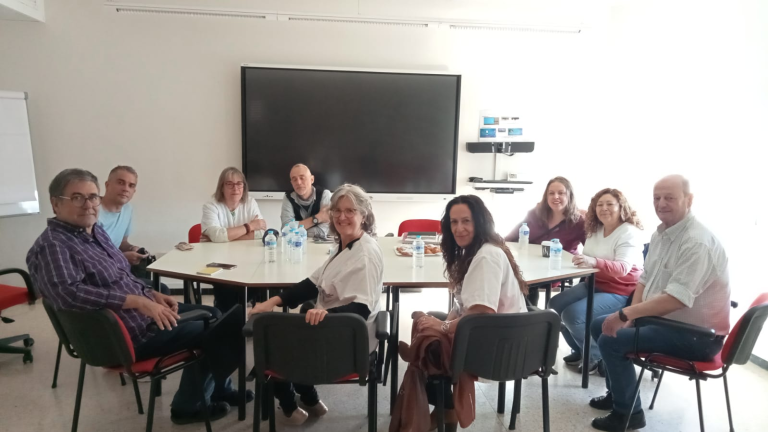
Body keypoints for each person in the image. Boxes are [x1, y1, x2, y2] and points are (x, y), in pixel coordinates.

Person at [26, 168, 252, 425]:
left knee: (216, 314)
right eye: (77, 198)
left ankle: (217, 389)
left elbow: (122, 276)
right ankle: (189, 407)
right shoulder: (54, 245)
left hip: (137, 318)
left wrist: (151, 293)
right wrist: (137, 301)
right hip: (125, 336)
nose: (88, 204)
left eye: (93, 197)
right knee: (220, 328)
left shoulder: (94, 232)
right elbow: (68, 294)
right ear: (56, 203)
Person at [588, 175, 730, 432]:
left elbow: (676, 299)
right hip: (665, 322)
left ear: (689, 200)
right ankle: (617, 394)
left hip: (697, 337)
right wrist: (630, 317)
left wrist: (625, 314)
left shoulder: (697, 242)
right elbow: (644, 280)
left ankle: (628, 414)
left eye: (670, 197)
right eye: (657, 198)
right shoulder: (661, 234)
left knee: (611, 340)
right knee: (600, 325)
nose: (661, 203)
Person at [249, 184, 383, 426]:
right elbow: (312, 283)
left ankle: (289, 406)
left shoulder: (364, 255)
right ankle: (310, 399)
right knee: (292, 319)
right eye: (337, 210)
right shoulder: (345, 244)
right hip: (337, 329)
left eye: (350, 210)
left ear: (364, 215)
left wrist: (325, 312)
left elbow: (361, 309)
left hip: (348, 338)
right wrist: (272, 302)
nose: (342, 216)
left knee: (270, 342)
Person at [415, 195, 528, 431]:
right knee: (428, 325)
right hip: (499, 336)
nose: (459, 228)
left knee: (431, 344)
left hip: (501, 349)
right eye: (454, 222)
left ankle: (445, 411)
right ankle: (443, 409)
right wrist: (445, 322)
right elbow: (465, 304)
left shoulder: (486, 256)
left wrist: (443, 328)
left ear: (480, 222)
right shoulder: (473, 252)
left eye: (466, 221)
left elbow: (481, 313)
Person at [548, 188, 644, 376]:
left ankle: (595, 356)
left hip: (620, 290)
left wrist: (593, 262)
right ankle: (580, 349)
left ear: (621, 207)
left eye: (610, 204)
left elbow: (622, 268)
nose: (604, 208)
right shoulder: (595, 229)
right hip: (593, 283)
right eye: (599, 205)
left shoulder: (628, 232)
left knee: (572, 316)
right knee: (554, 305)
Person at [505, 176, 586, 306]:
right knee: (514, 279)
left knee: (526, 284)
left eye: (561, 193)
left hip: (557, 268)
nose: (555, 197)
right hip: (530, 264)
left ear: (569, 196)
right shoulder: (535, 213)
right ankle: (525, 313)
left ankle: (530, 314)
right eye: (551, 193)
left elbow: (590, 248)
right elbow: (511, 237)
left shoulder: (578, 222)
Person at [201, 167, 267, 313]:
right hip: (220, 263)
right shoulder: (210, 206)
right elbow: (217, 235)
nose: (235, 188)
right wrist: (250, 226)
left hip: (248, 260)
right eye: (229, 184)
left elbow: (261, 233)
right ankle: (229, 317)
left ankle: (237, 314)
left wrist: (224, 236)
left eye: (239, 183)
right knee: (226, 289)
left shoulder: (250, 203)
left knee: (259, 280)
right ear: (221, 187)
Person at [98, 165, 170, 295]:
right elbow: (89, 255)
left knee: (159, 288)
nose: (126, 189)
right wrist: (122, 257)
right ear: (107, 185)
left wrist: (132, 248)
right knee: (159, 290)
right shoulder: (91, 211)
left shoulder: (127, 209)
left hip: (115, 269)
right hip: (98, 275)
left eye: (131, 185)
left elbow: (121, 242)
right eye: (121, 183)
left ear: (134, 191)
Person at [281, 163, 332, 239]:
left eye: (302, 178)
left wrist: (295, 231)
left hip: (320, 244)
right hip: (296, 244)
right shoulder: (288, 197)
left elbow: (322, 231)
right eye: (294, 179)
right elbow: (286, 230)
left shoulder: (325, 195)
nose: (298, 182)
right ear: (292, 183)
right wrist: (317, 218)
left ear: (312, 179)